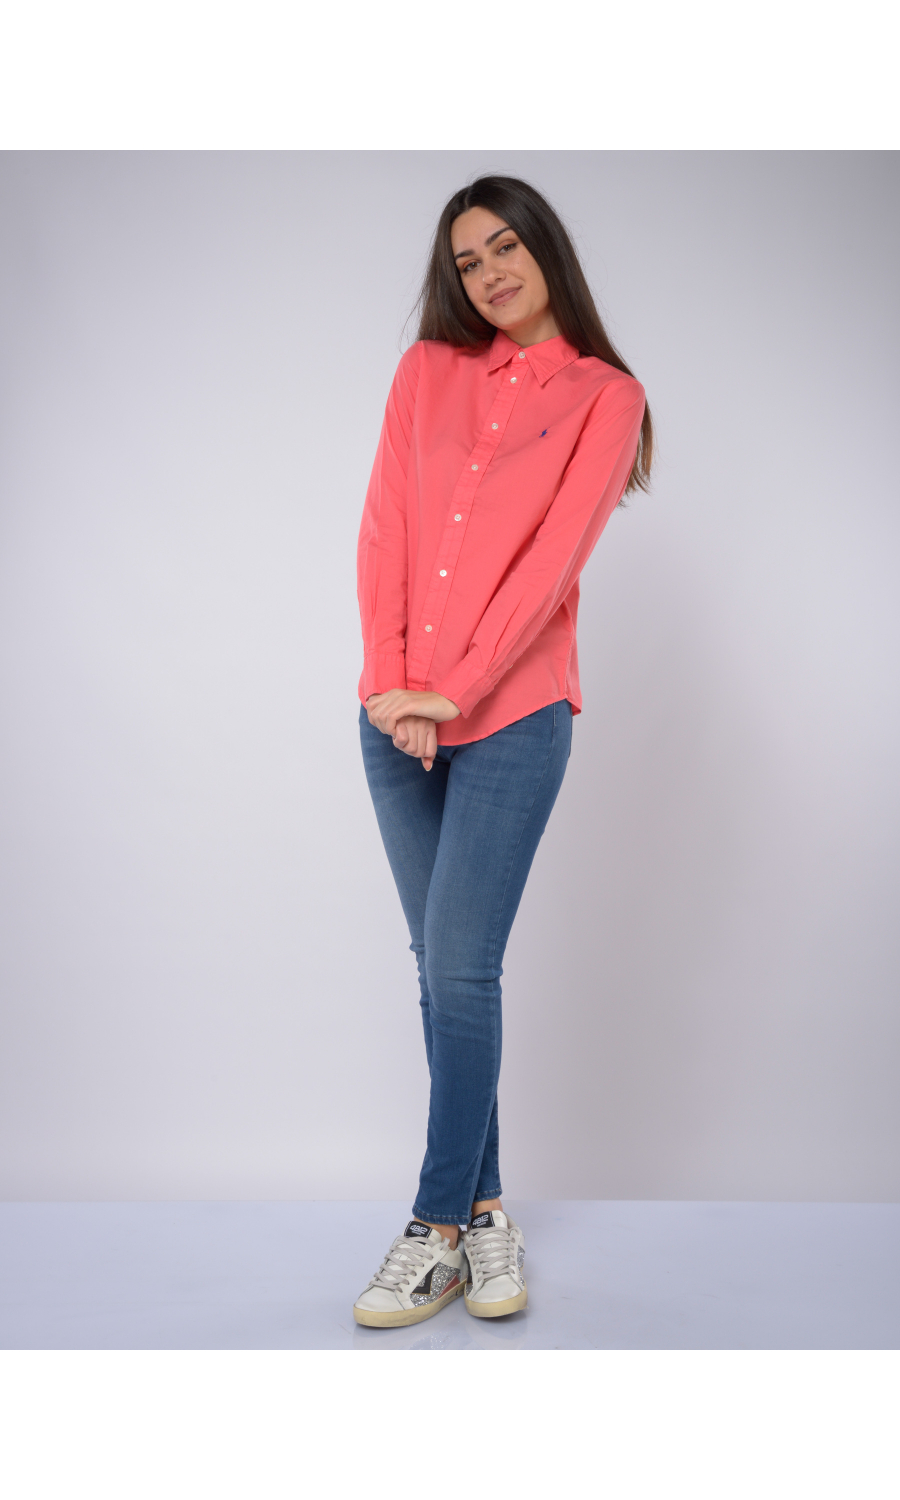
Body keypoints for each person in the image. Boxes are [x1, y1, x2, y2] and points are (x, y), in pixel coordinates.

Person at [352, 174, 653, 1328]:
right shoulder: (425, 374)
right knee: (438, 966)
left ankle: (431, 1227)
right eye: (467, 260)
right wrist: (392, 686)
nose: (487, 273)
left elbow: (549, 566)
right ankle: (484, 1214)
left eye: (504, 247)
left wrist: (457, 689)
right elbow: (386, 529)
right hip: (396, 715)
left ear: (544, 248)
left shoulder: (605, 396)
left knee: (463, 965)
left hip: (515, 715)